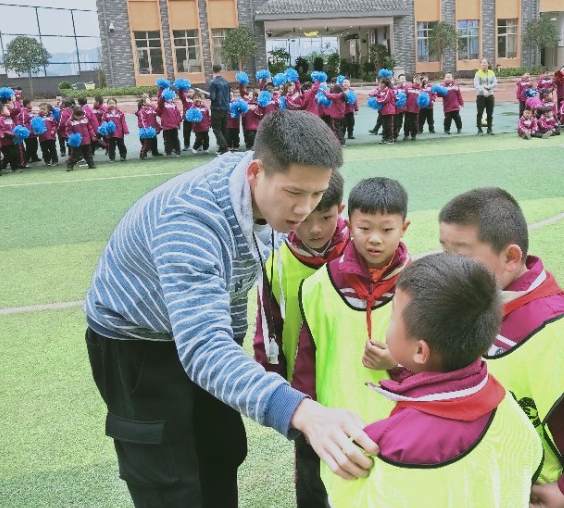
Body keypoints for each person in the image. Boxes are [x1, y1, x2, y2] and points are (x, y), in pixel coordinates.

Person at [84, 111, 378, 508]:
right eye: (294, 193)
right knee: (168, 477)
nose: (305, 211)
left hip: (204, 329)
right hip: (137, 340)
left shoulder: (265, 193)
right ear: (257, 173)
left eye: (315, 195)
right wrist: (304, 412)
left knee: (221, 449)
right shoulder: (191, 221)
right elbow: (203, 350)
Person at [438, 188, 564, 508]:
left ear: (510, 258)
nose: (450, 266)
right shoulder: (480, 305)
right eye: (444, 251)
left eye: (462, 254)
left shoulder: (558, 331)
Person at [329, 253, 544, 508]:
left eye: (393, 315)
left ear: (420, 351)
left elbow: (350, 498)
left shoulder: (389, 441)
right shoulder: (508, 406)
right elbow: (531, 456)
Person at [292, 177, 412, 506]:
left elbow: (438, 362)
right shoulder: (318, 286)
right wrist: (307, 421)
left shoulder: (421, 288)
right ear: (349, 224)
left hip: (403, 428)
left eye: (387, 230)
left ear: (404, 227)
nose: (374, 239)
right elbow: (306, 362)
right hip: (338, 427)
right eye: (364, 228)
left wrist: (397, 363)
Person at [254, 170, 349, 507]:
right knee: (312, 477)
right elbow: (267, 329)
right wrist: (275, 381)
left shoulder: (363, 252)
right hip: (307, 392)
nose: (316, 229)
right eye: (307, 218)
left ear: (341, 209)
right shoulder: (276, 264)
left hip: (359, 386)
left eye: (326, 216)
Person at [208, 65, 232, 155]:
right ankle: (223, 148)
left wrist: (207, 95)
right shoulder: (227, 82)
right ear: (221, 70)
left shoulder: (213, 83)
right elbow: (229, 97)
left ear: (212, 70)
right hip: (226, 107)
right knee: (223, 128)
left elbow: (212, 97)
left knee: (216, 129)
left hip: (216, 108)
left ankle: (224, 147)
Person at [66, 106, 98, 170]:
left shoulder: (85, 119)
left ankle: (91, 165)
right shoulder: (70, 121)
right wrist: (72, 137)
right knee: (75, 155)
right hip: (77, 142)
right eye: (77, 116)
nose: (79, 117)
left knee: (88, 154)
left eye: (81, 115)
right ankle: (70, 166)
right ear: (74, 114)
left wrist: (93, 135)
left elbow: (90, 128)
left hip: (87, 141)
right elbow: (68, 131)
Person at [474, 58, 497, 135]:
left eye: (485, 63)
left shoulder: (491, 73)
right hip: (480, 96)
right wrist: (483, 90)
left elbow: (495, 83)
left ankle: (489, 128)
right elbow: (476, 85)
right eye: (482, 63)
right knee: (479, 112)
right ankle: (479, 129)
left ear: (488, 64)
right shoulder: (478, 74)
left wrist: (488, 88)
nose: (483, 64)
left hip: (490, 95)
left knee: (490, 113)